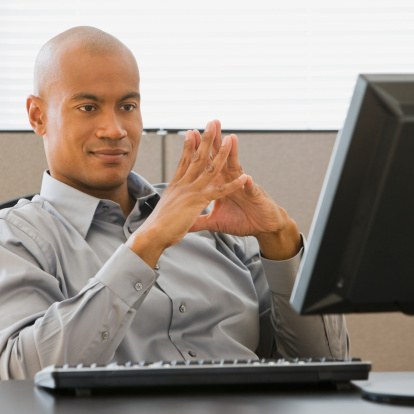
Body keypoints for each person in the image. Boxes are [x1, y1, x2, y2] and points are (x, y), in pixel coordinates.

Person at [0, 26, 348, 380]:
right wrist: (146, 245)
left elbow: (328, 364)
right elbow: (22, 375)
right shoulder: (14, 240)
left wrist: (280, 241)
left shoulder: (208, 215)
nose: (115, 129)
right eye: (88, 107)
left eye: (127, 106)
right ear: (37, 116)